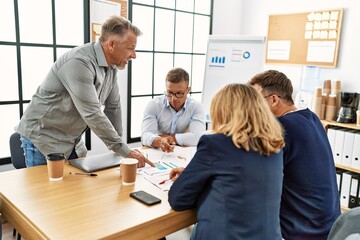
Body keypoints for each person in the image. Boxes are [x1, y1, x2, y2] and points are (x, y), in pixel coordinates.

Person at [15, 16, 153, 168]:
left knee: (77, 190)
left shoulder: (111, 68)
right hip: (43, 139)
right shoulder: (79, 62)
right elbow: (92, 113)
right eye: (130, 48)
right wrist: (124, 150)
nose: (134, 55)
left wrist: (121, 148)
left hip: (71, 141)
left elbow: (113, 107)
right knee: (45, 191)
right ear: (111, 44)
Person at [168, 83, 285, 239]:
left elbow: (177, 199)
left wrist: (192, 179)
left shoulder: (216, 143)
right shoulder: (274, 145)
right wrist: (197, 175)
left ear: (222, 112)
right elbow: (242, 180)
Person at [249, 70, 341, 239]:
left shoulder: (281, 126)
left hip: (301, 230)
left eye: (255, 101)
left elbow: (253, 176)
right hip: (328, 226)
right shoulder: (311, 117)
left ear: (274, 100)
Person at [141, 67, 205, 152]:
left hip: (182, 152)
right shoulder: (154, 105)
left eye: (179, 93)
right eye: (170, 92)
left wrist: (167, 137)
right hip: (158, 151)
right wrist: (160, 141)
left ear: (188, 90)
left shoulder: (196, 107)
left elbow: (198, 137)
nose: (173, 98)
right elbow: (145, 136)